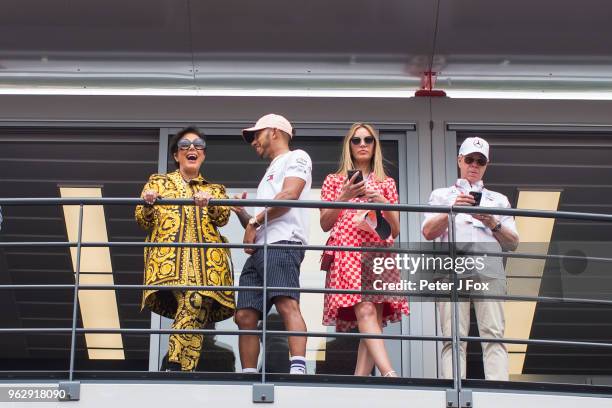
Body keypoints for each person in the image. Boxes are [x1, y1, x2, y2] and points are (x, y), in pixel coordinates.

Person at [135, 126, 235, 372]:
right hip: (170, 263)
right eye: (185, 145)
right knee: (194, 299)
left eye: (198, 144)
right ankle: (173, 364)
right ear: (176, 155)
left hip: (208, 268)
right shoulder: (158, 183)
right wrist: (148, 203)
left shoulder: (214, 189)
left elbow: (223, 217)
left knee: (197, 312)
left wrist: (209, 204)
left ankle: (180, 371)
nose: (192, 148)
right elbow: (142, 220)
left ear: (203, 154)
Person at [421, 136, 519, 381]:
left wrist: (491, 221)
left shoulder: (498, 199)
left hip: (489, 270)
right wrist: (452, 209)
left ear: (486, 165)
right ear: (459, 160)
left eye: (480, 161)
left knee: (494, 334)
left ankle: (499, 393)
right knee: (453, 337)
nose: (474, 165)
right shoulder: (442, 195)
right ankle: (454, 390)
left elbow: (514, 243)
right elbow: (427, 231)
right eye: (469, 159)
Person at [319, 123, 408, 377]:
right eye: (356, 141)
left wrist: (383, 203)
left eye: (368, 140)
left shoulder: (386, 183)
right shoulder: (334, 181)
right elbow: (325, 223)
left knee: (373, 322)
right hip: (347, 251)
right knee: (366, 312)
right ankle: (389, 373)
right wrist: (344, 195)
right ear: (349, 146)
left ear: (374, 146)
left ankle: (360, 381)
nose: (362, 145)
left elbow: (395, 229)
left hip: (378, 251)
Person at [231, 113, 312, 375]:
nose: (254, 141)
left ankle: (298, 369)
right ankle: (249, 374)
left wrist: (253, 221)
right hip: (261, 248)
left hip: (283, 243)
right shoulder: (270, 171)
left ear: (275, 132)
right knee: (244, 314)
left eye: (257, 134)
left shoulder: (296, 156)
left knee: (286, 303)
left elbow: (289, 195)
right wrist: (243, 213)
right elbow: (260, 222)